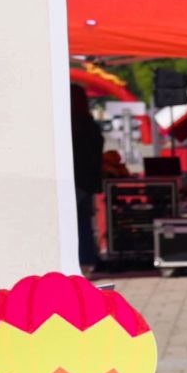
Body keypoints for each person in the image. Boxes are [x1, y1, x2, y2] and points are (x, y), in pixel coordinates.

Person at [70, 85, 104, 266]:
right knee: (84, 222)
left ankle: (82, 258)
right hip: (87, 181)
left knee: (76, 223)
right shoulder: (90, 125)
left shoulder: (71, 127)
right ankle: (87, 258)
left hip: (75, 180)